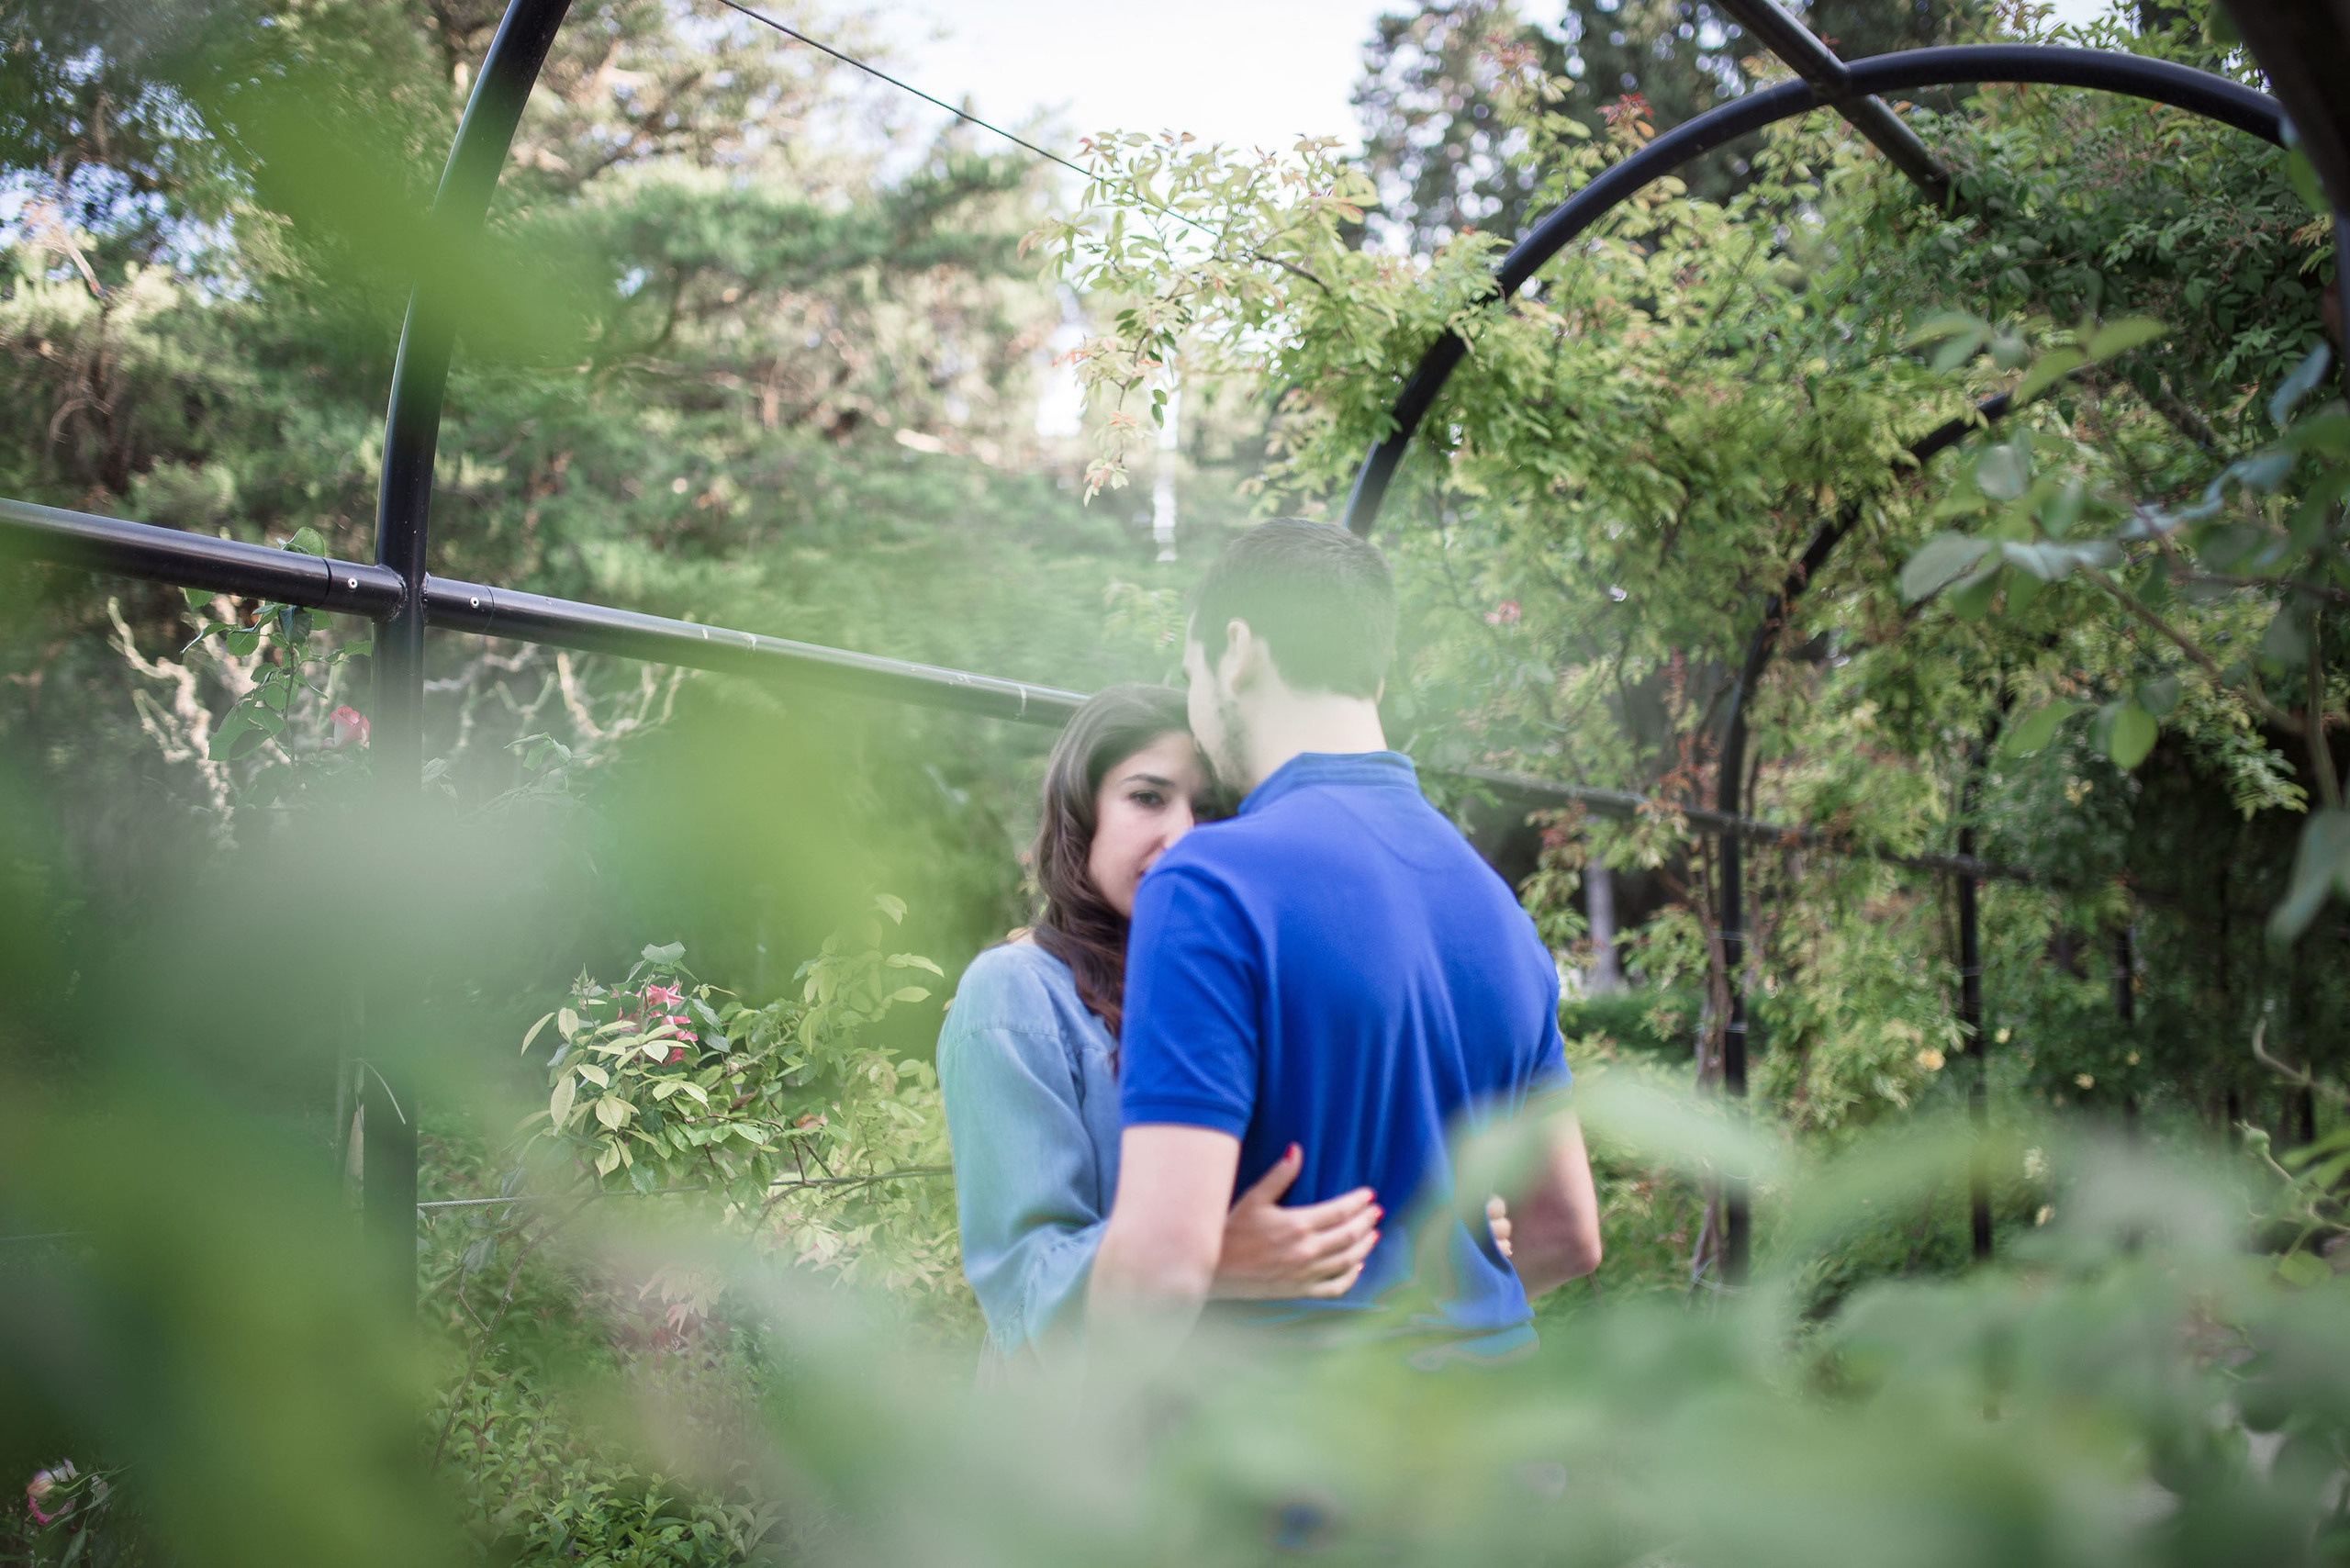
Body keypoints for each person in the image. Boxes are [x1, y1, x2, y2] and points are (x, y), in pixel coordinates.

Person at [1089, 520, 1603, 1369]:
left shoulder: (1210, 883)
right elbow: (1565, 1236)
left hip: (1294, 1468)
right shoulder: (1498, 908)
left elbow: (1158, 1273)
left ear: (1237, 650)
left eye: (1190, 676)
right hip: (1505, 1464)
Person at [937, 683, 1383, 1373]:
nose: (1182, 836)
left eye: (1207, 810)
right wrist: (1203, 1258)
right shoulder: (1016, 995)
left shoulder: (1245, 989)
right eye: (1148, 797)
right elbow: (1026, 1289)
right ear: (1080, 813)